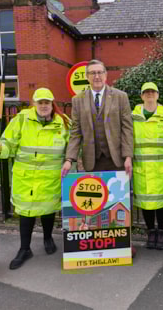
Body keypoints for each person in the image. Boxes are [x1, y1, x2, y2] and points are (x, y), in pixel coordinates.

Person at [0, 88, 70, 270]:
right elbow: (8, 143)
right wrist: (0, 149)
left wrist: (70, 160)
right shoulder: (21, 120)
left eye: (47, 102)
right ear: (34, 103)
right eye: (40, 102)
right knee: (26, 212)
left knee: (48, 209)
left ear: (52, 104)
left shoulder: (64, 122)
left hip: (51, 178)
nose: (43, 106)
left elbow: (74, 144)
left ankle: (48, 238)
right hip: (26, 178)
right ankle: (24, 249)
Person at [60, 59, 134, 253]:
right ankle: (98, 243)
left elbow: (127, 128)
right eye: (92, 73)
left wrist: (128, 156)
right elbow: (75, 132)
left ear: (106, 74)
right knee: (97, 202)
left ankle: (123, 243)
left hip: (116, 158)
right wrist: (70, 159)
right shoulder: (78, 100)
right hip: (93, 160)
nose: (97, 76)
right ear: (87, 77)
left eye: (100, 72)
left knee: (119, 201)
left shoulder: (120, 97)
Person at [131, 82, 163, 250]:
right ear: (141, 96)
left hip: (161, 170)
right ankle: (151, 232)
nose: (150, 95)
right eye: (146, 92)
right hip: (141, 168)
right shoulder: (132, 117)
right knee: (146, 203)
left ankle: (162, 232)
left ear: (158, 95)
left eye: (153, 92)